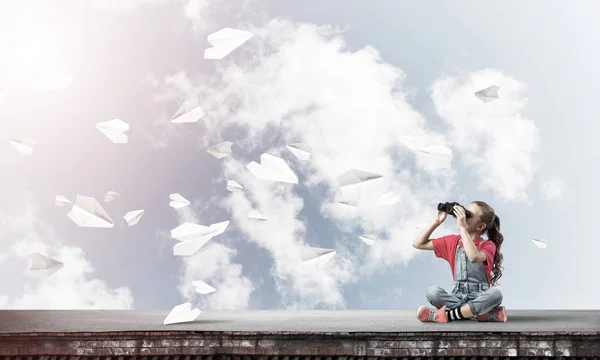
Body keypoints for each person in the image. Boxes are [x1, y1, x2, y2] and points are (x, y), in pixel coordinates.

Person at [412, 201, 506, 323]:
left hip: (480, 296)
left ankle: (446, 315)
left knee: (496, 294)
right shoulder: (453, 242)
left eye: (468, 215)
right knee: (432, 292)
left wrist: (462, 228)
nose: (462, 216)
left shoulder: (488, 245)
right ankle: (479, 314)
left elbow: (474, 257)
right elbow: (418, 244)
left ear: (480, 226)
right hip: (457, 296)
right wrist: (436, 222)